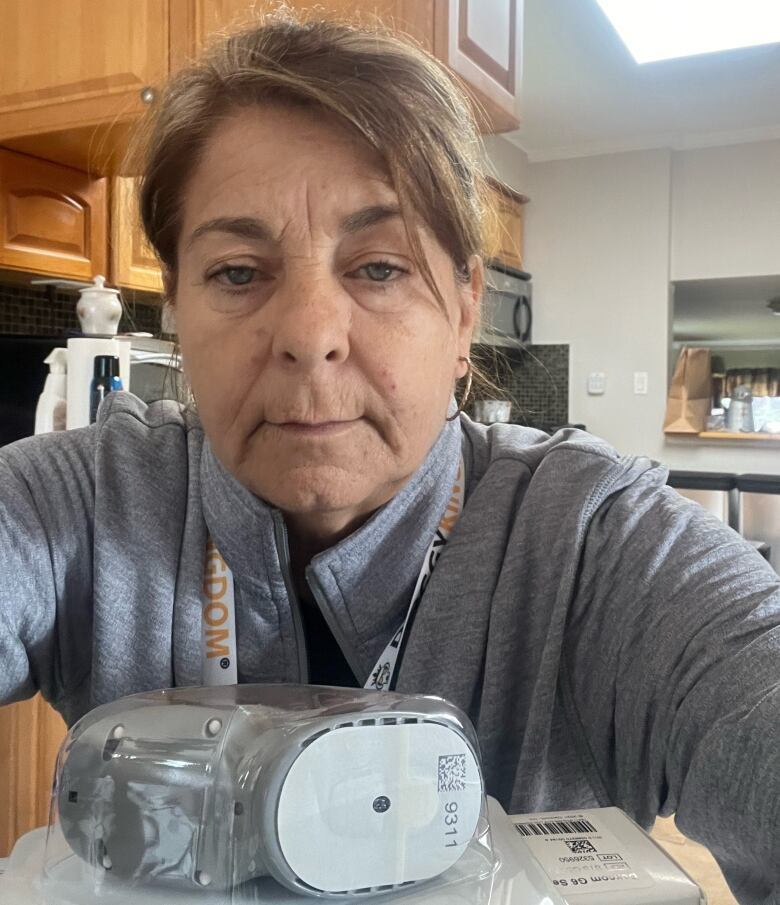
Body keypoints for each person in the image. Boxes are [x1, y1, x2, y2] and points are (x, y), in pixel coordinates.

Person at [1, 11, 778, 904]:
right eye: (239, 273)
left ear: (461, 310)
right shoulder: (79, 506)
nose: (308, 335)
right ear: (175, 308)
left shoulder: (594, 545)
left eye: (378, 268)